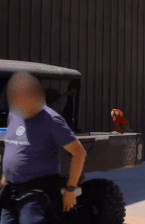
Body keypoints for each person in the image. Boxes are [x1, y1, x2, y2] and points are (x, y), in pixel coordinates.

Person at [0, 72, 87, 224]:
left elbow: (79, 153)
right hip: (11, 190)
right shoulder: (14, 113)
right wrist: (4, 179)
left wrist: (70, 190)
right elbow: (11, 146)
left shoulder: (52, 121)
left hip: (36, 192)